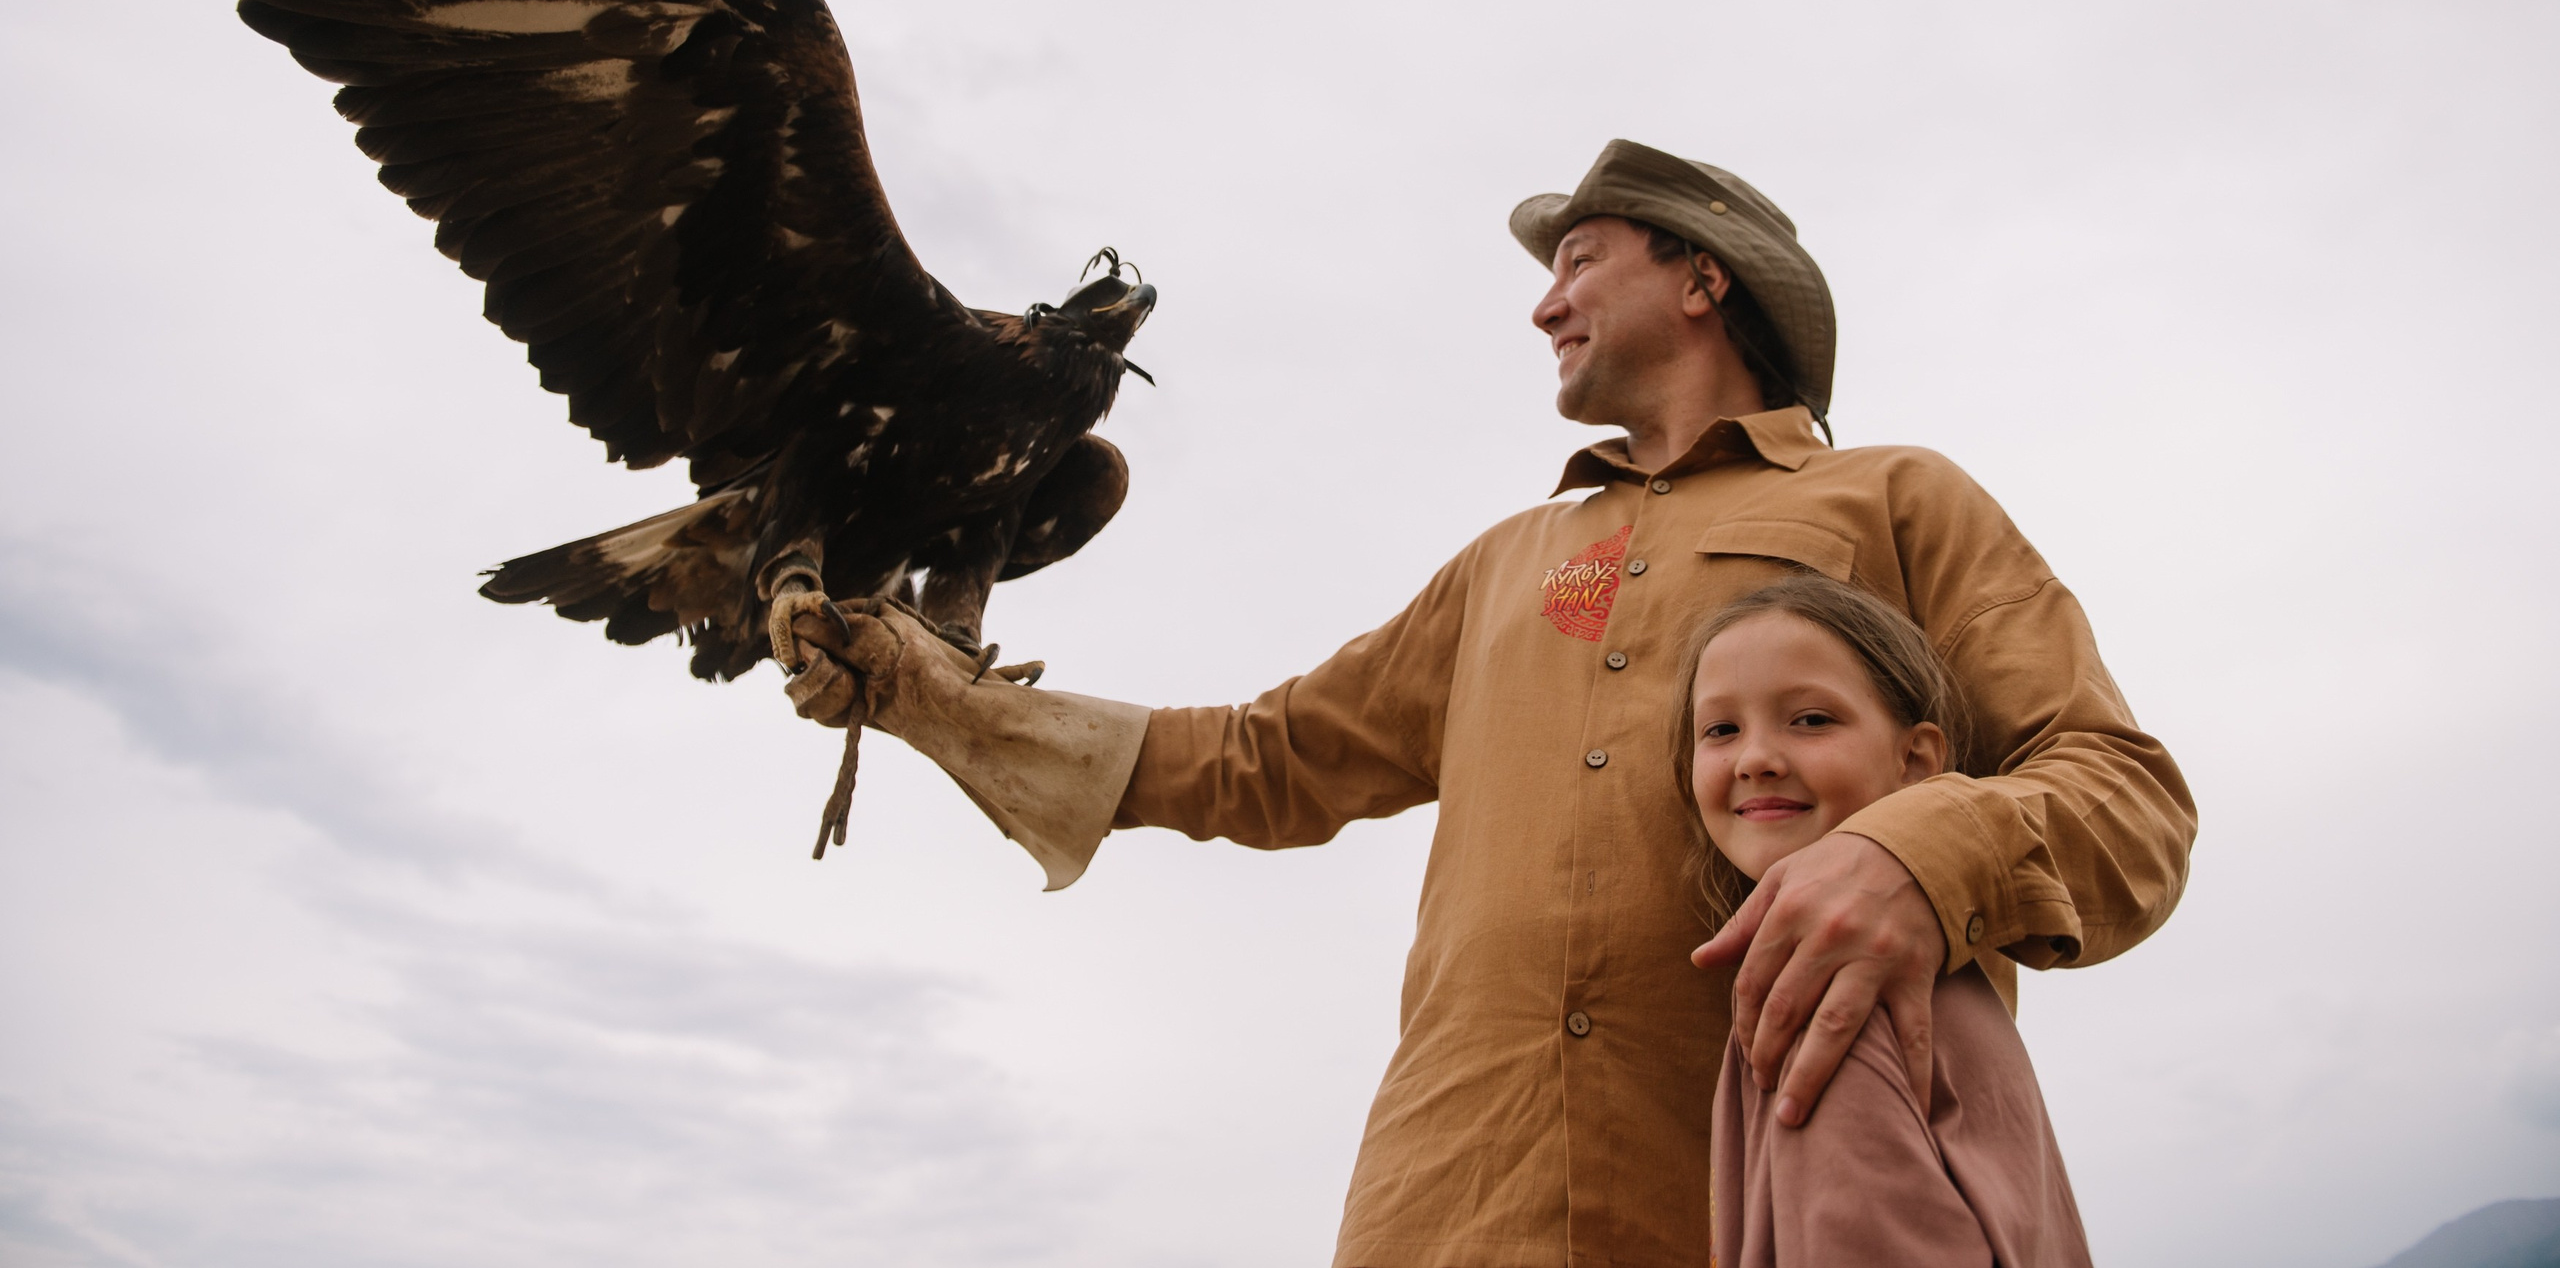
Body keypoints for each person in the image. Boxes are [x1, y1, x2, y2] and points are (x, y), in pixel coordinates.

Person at [784, 138, 2196, 1268]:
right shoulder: (1506, 563)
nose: (1543, 300)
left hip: (1774, 1205)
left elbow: (2128, 801)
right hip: (1449, 1207)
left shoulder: (1896, 496)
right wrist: (940, 702)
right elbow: (1266, 758)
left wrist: (1921, 852)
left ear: (1703, 279)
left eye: (1581, 258)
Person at [1677, 573, 2092, 1268]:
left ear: (1916, 761)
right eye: (1721, 729)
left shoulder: (1832, 984)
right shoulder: (1940, 969)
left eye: (1811, 719)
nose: (1756, 758)